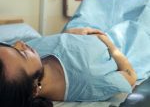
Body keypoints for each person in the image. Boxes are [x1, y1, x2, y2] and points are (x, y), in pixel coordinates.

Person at [0, 27, 137, 107]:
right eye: (22, 54)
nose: (20, 43)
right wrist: (109, 43)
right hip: (119, 36)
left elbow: (56, 41)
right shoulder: (90, 82)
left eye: (12, 46)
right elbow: (130, 76)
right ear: (34, 89)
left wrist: (68, 32)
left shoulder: (26, 58)